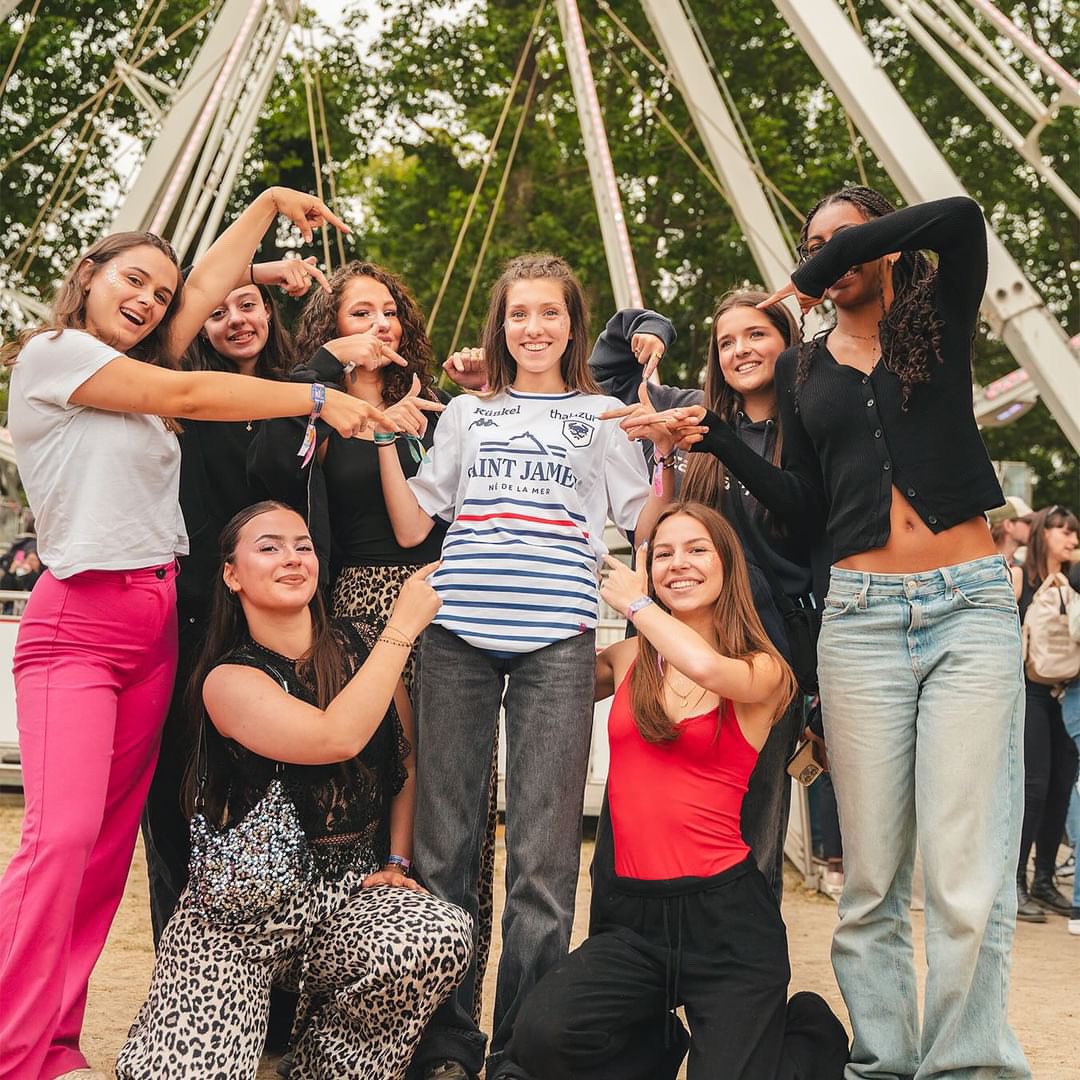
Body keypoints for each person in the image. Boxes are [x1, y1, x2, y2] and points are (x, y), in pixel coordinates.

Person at [629, 191, 1030, 1078]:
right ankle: (883, 1061)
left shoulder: (937, 316)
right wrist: (720, 442)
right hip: (860, 620)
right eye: (812, 243)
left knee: (964, 870)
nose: (827, 254)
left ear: (885, 244)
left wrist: (822, 263)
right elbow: (804, 507)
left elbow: (963, 217)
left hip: (968, 608)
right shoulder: (802, 368)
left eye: (846, 240)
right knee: (872, 876)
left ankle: (969, 1064)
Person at [0, 187, 398, 1080]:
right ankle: (9, 1048)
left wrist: (265, 206)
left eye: (160, 292)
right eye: (132, 281)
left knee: (106, 850)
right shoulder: (57, 356)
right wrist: (316, 396)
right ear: (88, 276)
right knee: (59, 841)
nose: (148, 300)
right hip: (79, 622)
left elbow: (204, 290)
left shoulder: (135, 369)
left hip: (152, 621)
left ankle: (54, 1043)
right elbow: (186, 389)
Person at [376, 253, 668, 1080]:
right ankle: (444, 1044)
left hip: (557, 640)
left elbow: (644, 521)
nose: (533, 327)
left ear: (574, 325)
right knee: (445, 848)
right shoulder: (469, 413)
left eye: (549, 313)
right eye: (518, 314)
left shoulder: (604, 415)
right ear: (499, 326)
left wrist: (664, 450)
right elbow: (417, 524)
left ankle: (518, 1054)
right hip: (457, 635)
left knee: (544, 859)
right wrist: (384, 438)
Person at [115, 501, 471, 1079]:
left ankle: (324, 1065)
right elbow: (335, 737)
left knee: (436, 932)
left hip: (344, 899)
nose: (292, 558)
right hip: (236, 921)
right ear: (232, 575)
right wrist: (403, 628)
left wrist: (397, 859)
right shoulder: (227, 680)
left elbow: (403, 758)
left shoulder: (363, 645)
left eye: (303, 546)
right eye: (269, 547)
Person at [500, 502, 848, 1080]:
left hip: (728, 923)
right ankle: (663, 1045)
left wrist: (636, 605)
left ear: (728, 565)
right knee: (544, 1038)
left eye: (696, 550)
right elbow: (543, 679)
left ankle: (807, 1034)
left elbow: (707, 668)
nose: (678, 563)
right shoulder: (630, 657)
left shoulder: (765, 668)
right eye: (663, 554)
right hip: (634, 921)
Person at [590, 292, 821, 899]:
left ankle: (746, 950)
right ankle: (629, 938)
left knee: (751, 831)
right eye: (725, 342)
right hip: (670, 638)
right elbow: (609, 371)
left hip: (762, 651)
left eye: (757, 335)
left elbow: (813, 532)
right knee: (638, 806)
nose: (740, 350)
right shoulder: (688, 410)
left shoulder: (811, 430)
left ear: (788, 342)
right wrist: (650, 330)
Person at [1011, 505, 1079, 922]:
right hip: (1030, 693)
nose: (1072, 538)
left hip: (1068, 692)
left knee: (1061, 786)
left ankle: (1045, 880)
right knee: (1033, 786)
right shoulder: (1022, 576)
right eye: (1063, 531)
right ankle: (1015, 880)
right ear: (1043, 534)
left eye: (1075, 532)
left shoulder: (1075, 581)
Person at [989, 495, 1034, 567]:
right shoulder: (984, 566)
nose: (1034, 527)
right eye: (1029, 522)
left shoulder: (1023, 567)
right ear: (1008, 525)